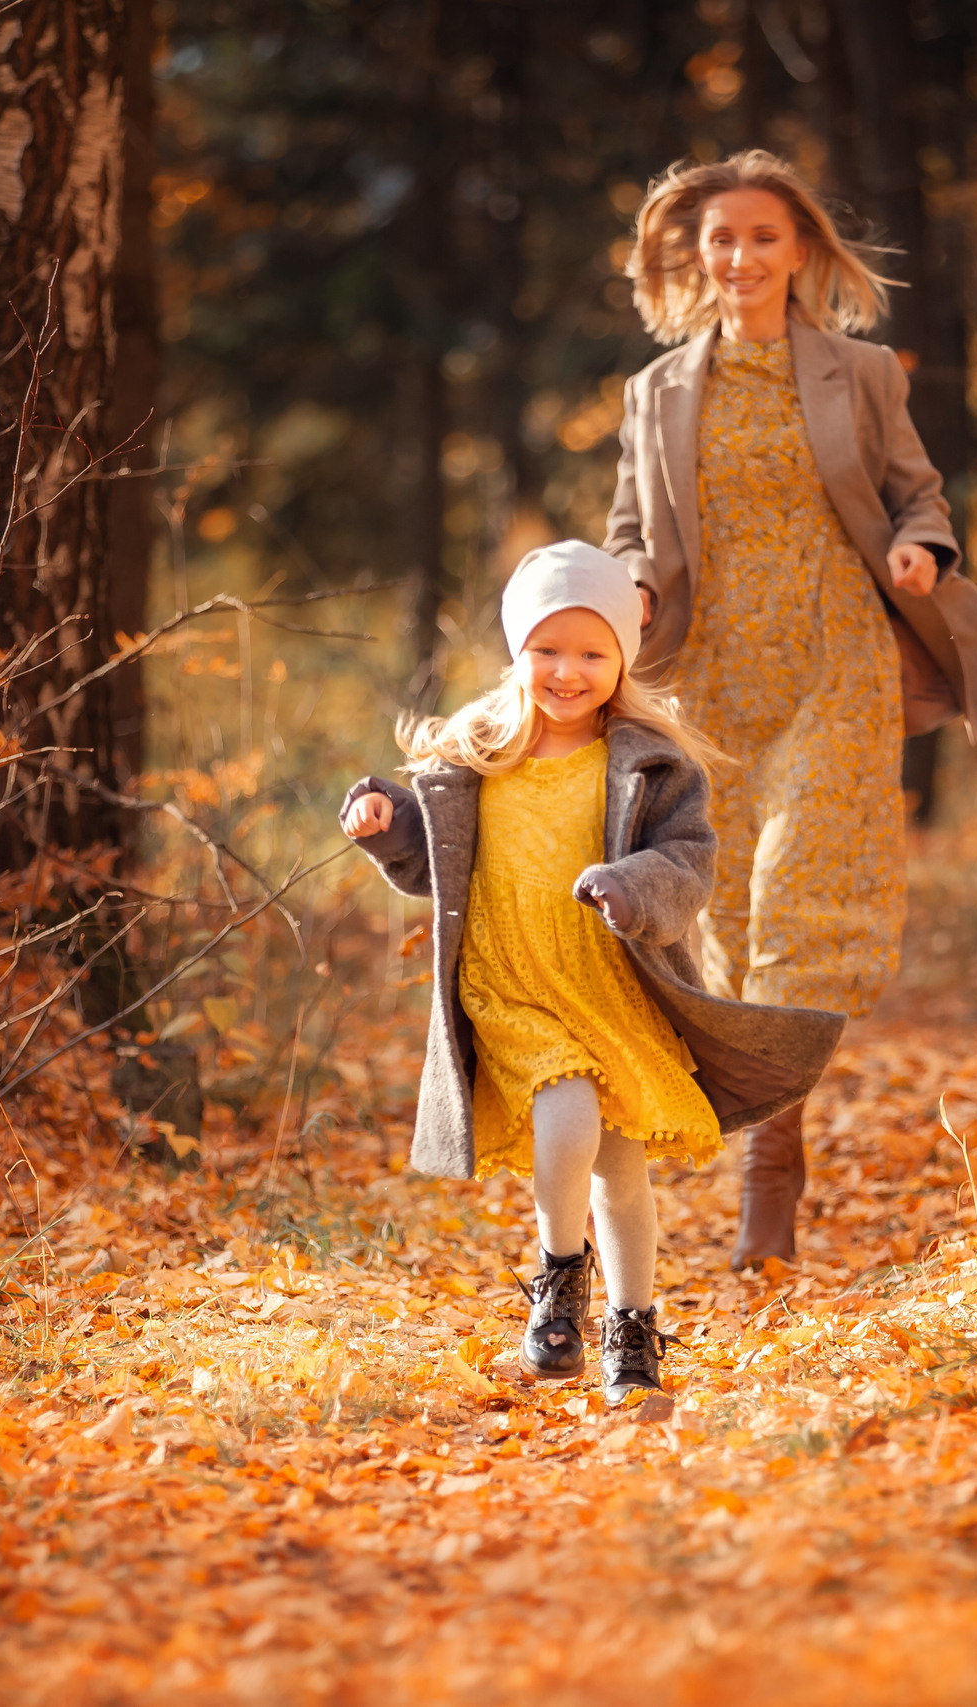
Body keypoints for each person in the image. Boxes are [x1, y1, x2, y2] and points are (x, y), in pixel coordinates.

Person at [604, 150, 977, 1268]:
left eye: (763, 236)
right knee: (728, 914)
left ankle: (772, 1174)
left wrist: (918, 547)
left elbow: (917, 493)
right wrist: (635, 587)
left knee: (804, 899)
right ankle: (763, 1129)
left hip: (836, 661)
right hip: (710, 676)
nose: (741, 256)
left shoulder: (861, 371)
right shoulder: (655, 392)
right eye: (722, 238)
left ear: (799, 249)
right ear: (697, 254)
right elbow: (630, 530)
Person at [341, 541, 842, 1398]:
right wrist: (387, 822)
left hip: (611, 986)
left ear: (621, 659)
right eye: (547, 649)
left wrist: (630, 887)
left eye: (591, 653)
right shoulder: (475, 755)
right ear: (517, 650)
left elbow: (687, 862)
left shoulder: (649, 762)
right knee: (567, 1120)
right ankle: (559, 1274)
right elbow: (432, 862)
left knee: (620, 1170)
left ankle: (632, 1331)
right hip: (513, 983)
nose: (567, 672)